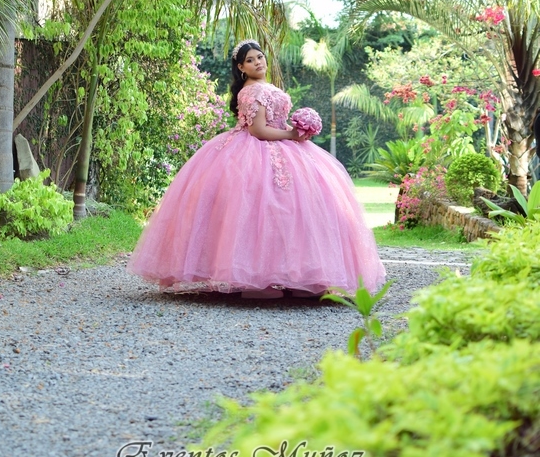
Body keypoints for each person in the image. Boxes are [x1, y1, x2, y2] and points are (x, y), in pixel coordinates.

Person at [127, 39, 386, 298]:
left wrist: (298, 130)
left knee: (298, 210)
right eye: (249, 60)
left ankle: (301, 277)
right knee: (263, 209)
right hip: (255, 151)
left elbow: (276, 122)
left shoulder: (267, 87)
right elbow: (258, 130)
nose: (257, 62)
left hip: (283, 145)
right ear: (241, 67)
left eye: (259, 57)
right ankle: (258, 280)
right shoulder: (251, 91)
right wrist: (292, 135)